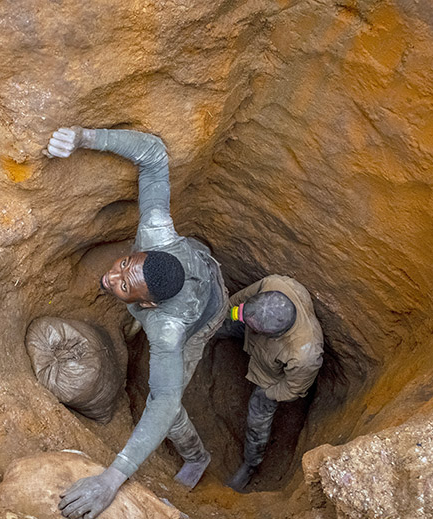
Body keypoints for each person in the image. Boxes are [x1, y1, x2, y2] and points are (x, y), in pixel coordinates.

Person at [44, 126, 228, 519]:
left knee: (170, 406)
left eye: (124, 285)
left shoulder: (168, 329)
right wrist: (83, 138)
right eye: (126, 263)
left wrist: (110, 480)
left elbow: (164, 402)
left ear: (148, 304)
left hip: (207, 316)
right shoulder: (156, 234)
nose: (112, 275)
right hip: (197, 260)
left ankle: (197, 456)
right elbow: (154, 153)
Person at [219, 275, 324, 492]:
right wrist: (227, 315)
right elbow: (239, 301)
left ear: (274, 335)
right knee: (226, 322)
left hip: (270, 378)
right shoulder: (274, 284)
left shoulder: (304, 355)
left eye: (257, 329)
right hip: (252, 329)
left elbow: (293, 388)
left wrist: (268, 393)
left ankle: (251, 464)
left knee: (258, 416)